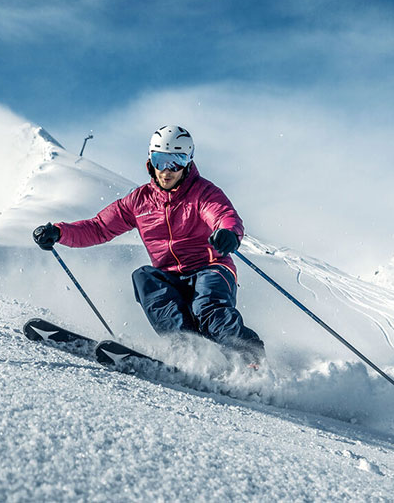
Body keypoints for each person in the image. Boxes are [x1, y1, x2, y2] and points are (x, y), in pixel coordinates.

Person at [33, 125, 265, 365]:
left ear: (188, 162)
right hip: (169, 277)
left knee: (208, 311)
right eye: (160, 160)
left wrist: (227, 232)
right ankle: (189, 353)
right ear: (150, 160)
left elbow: (224, 215)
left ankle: (252, 358)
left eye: (176, 161)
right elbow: (99, 227)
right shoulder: (139, 201)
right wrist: (60, 232)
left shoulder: (202, 193)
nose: (166, 170)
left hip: (210, 268)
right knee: (144, 277)